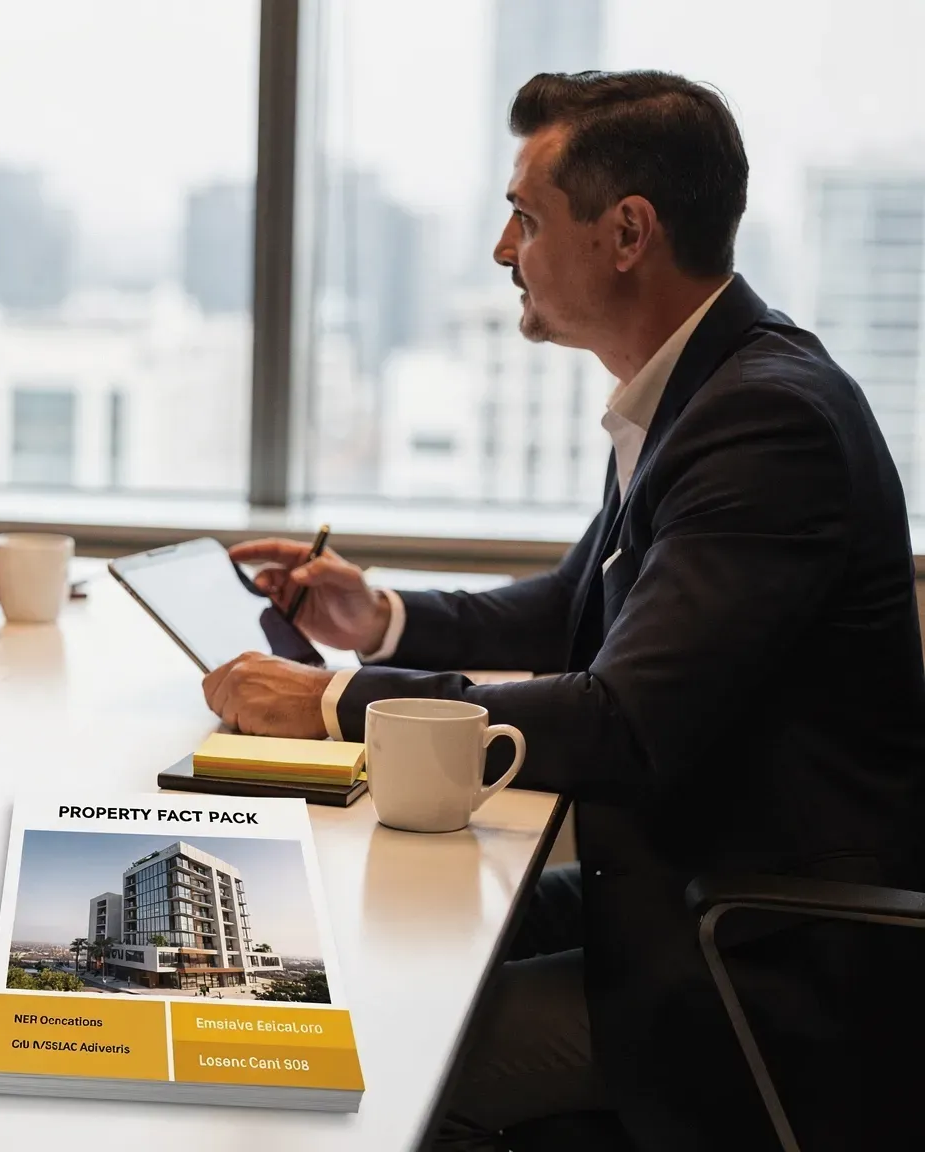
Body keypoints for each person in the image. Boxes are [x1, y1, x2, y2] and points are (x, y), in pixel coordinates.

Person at [203, 71, 925, 1149]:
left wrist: (330, 703)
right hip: (671, 898)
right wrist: (381, 619)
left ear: (625, 232)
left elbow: (620, 721)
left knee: (386, 1057)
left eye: (526, 219)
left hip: (752, 964)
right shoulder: (698, 391)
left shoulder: (764, 422)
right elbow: (573, 608)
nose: (502, 249)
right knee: (357, 949)